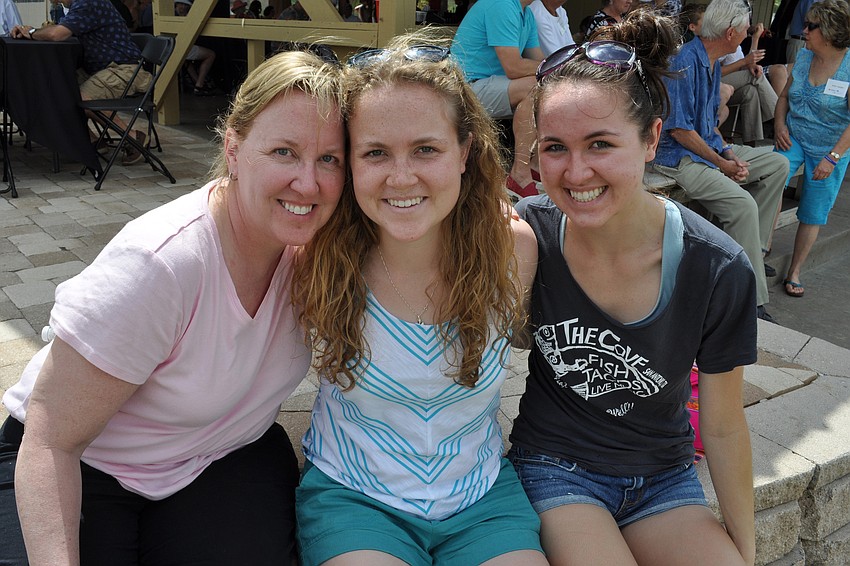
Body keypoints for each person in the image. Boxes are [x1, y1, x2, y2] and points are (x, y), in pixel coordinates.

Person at [0, 49, 345, 565]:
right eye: (283, 152)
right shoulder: (160, 263)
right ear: (233, 146)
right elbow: (51, 442)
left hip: (217, 457)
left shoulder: (323, 246)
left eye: (329, 159)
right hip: (86, 464)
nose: (308, 183)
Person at [509, 10, 757, 565]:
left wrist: (743, 548)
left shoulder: (717, 267)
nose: (575, 172)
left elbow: (720, 424)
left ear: (650, 139)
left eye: (600, 144)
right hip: (555, 466)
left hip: (664, 480)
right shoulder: (529, 234)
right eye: (555, 148)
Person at [291, 34, 545, 565]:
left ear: (464, 152)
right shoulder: (315, 256)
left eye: (426, 149)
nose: (401, 177)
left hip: (482, 495)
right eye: (376, 152)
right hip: (355, 493)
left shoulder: (513, 251)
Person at [653, 0, 789, 323]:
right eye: (744, 30)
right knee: (743, 205)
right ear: (730, 33)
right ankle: (751, 300)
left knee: (777, 165)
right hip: (678, 159)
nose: (747, 34)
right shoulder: (684, 62)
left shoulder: (711, 63)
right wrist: (722, 162)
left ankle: (751, 251)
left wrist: (728, 153)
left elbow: (708, 125)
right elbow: (682, 132)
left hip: (705, 150)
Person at [10, 0, 152, 166]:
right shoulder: (79, 6)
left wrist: (32, 32)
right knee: (55, 88)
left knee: (82, 97)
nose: (55, 1)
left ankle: (134, 137)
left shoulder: (88, 3)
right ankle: (92, 141)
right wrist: (31, 31)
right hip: (102, 69)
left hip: (125, 70)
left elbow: (57, 34)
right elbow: (56, 30)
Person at [775, 0, 850, 298]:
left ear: (830, 31)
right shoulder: (805, 56)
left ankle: (794, 271)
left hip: (830, 147)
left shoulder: (848, 67)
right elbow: (783, 97)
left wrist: (832, 158)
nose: (803, 30)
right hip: (793, 136)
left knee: (813, 211)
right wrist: (779, 125)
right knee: (772, 179)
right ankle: (762, 250)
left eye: (811, 26)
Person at [451, 0, 545, 201]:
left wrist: (554, 70)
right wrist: (555, 68)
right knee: (535, 87)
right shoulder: (501, 4)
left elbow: (540, 62)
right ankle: (520, 174)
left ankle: (535, 167)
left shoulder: (526, 14)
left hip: (489, 86)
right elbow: (514, 67)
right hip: (465, 89)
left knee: (549, 87)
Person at [719, 22, 786, 145]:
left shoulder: (737, 46)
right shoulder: (721, 41)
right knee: (753, 75)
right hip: (715, 84)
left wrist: (755, 39)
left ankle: (750, 143)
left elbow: (747, 65)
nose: (746, 33)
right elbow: (712, 72)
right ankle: (780, 118)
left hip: (732, 86)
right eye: (745, 27)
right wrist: (744, 62)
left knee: (751, 91)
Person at [175, 0, 218, 96]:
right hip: (181, 47)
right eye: (180, 4)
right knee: (211, 54)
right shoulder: (188, 17)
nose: (182, 7)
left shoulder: (170, 15)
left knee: (186, 60)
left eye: (184, 5)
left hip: (173, 48)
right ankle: (199, 84)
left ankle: (197, 84)